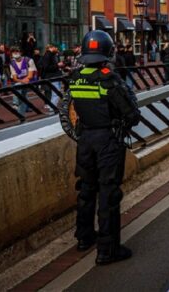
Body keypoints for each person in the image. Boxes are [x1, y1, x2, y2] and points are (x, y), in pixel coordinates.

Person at [60, 30, 140, 265]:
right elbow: (132, 114)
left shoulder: (74, 78)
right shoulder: (109, 80)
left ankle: (84, 237)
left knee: (86, 189)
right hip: (107, 141)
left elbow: (68, 109)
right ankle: (108, 250)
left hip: (85, 141)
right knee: (108, 193)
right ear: (108, 53)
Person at [9, 46, 38, 118]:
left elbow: (30, 76)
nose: (15, 53)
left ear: (21, 52)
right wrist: (21, 81)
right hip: (20, 82)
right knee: (23, 97)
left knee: (18, 88)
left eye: (17, 51)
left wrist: (24, 80)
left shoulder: (28, 60)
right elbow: (15, 78)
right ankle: (21, 116)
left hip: (30, 81)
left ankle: (15, 103)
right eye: (13, 52)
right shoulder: (12, 63)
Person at [39, 44, 64, 112]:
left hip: (54, 75)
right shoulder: (48, 55)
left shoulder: (50, 55)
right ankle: (52, 107)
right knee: (55, 92)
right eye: (56, 48)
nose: (57, 49)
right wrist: (57, 65)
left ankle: (52, 106)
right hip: (53, 76)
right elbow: (46, 67)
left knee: (55, 92)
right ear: (52, 47)